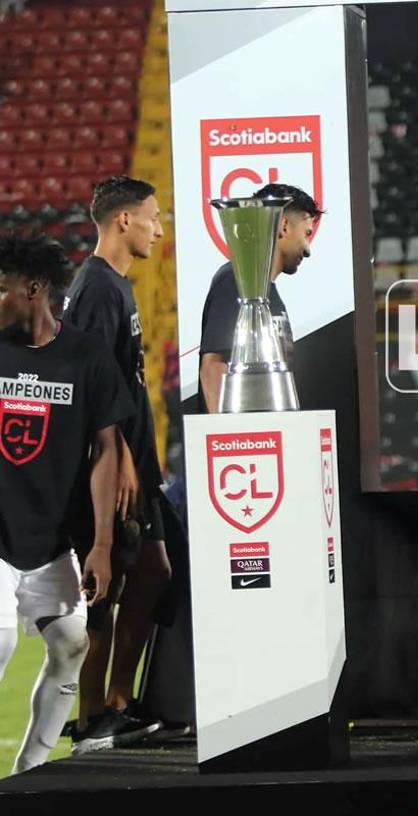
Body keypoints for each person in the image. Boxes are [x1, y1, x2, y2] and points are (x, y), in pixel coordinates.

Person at [0, 233, 131, 772]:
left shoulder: (86, 356)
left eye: (0, 288)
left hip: (51, 537)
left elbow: (107, 450)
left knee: (73, 645)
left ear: (33, 289)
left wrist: (100, 544)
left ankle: (31, 772)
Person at [62, 176, 169, 752]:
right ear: (123, 221)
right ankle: (91, 715)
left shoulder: (117, 287)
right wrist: (120, 456)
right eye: (152, 216)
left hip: (136, 459)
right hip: (114, 464)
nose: (158, 227)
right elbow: (86, 386)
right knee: (110, 586)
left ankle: (116, 704)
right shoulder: (97, 289)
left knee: (151, 573)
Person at [197, 183, 321, 413]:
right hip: (249, 442)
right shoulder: (237, 281)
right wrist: (230, 439)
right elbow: (214, 367)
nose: (307, 249)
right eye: (306, 234)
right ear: (283, 225)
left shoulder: (266, 289)